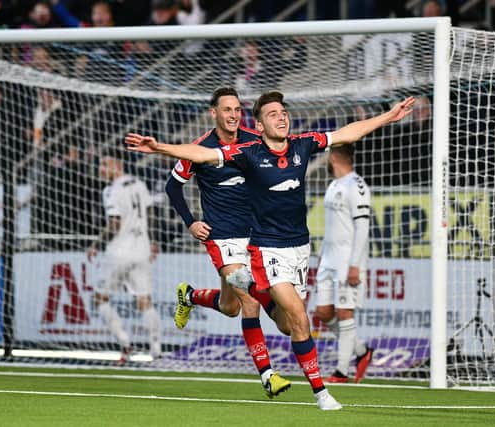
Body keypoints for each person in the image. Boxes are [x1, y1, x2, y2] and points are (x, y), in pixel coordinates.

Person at [125, 91, 415, 410]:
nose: (280, 117)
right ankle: (306, 388)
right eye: (272, 114)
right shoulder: (245, 151)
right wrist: (159, 149)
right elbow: (202, 156)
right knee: (289, 315)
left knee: (279, 322)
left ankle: (221, 289)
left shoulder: (302, 144)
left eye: (283, 112)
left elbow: (347, 132)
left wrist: (389, 116)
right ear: (259, 123)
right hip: (252, 244)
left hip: (296, 246)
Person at [165, 87, 292, 398]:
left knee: (232, 307)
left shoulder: (254, 141)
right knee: (250, 301)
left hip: (257, 237)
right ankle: (268, 376)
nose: (234, 115)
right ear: (214, 113)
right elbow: (172, 187)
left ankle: (190, 296)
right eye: (227, 109)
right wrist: (191, 222)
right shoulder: (200, 149)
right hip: (222, 240)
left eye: (237, 109)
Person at [86, 148, 161, 365]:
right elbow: (151, 214)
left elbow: (114, 224)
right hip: (142, 249)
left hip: (119, 252)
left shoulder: (112, 191)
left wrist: (96, 244)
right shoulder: (138, 183)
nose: (100, 170)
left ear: (117, 166)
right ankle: (156, 350)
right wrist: (153, 241)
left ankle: (125, 345)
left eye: (104, 165)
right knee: (144, 301)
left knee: (100, 298)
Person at [315, 143, 374, 384]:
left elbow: (362, 227)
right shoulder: (333, 185)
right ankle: (361, 352)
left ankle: (341, 371)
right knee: (323, 312)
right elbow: (333, 225)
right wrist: (321, 254)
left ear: (333, 157)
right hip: (328, 259)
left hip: (348, 261)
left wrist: (354, 265)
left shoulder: (357, 185)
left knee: (344, 312)